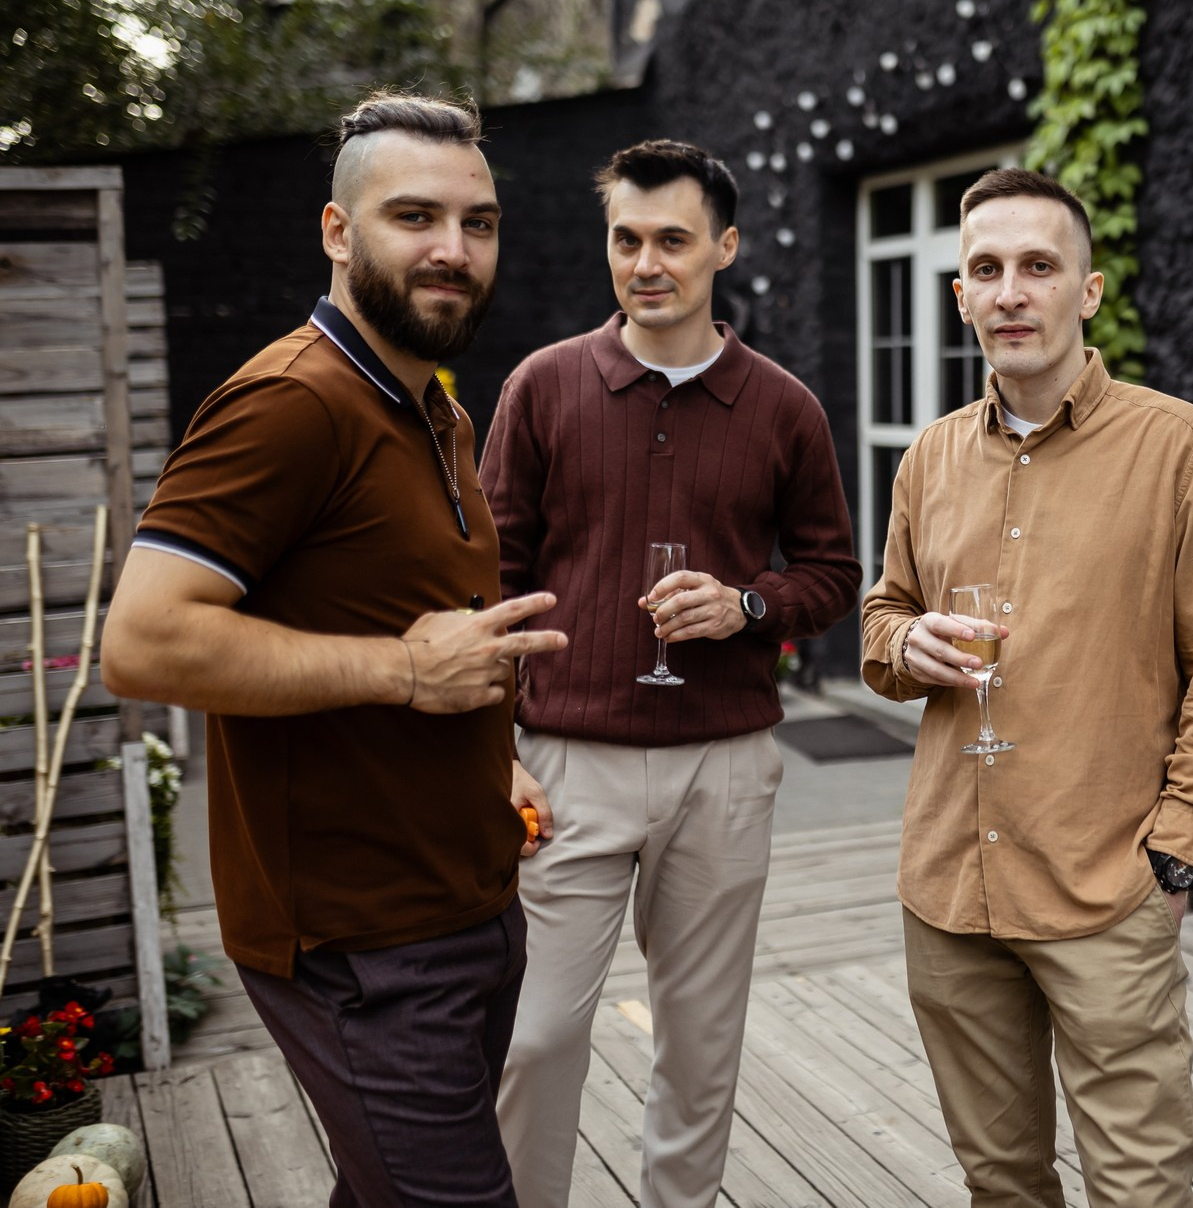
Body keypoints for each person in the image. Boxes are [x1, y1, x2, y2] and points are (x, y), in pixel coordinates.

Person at [101, 92, 566, 1206]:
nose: (453, 250)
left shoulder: (436, 410)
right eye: (415, 216)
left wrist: (488, 752)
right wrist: (404, 672)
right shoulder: (288, 403)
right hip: (361, 949)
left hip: (466, 905)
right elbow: (143, 642)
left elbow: (413, 615)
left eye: (480, 221)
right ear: (336, 230)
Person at [861, 167, 1193, 1207]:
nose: (1011, 291)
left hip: (1106, 887)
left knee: (1138, 1186)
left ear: (1085, 291)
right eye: (986, 270)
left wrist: (1176, 858)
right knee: (999, 1182)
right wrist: (906, 642)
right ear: (959, 295)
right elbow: (881, 617)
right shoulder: (927, 459)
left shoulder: (1181, 449)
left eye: (1038, 267)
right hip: (949, 890)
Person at [482, 138, 861, 1208]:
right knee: (536, 1035)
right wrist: (491, 749)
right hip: (566, 767)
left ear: (724, 248)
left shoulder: (783, 406)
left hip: (725, 767)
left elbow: (832, 574)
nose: (646, 262)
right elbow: (489, 582)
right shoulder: (544, 386)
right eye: (626, 239)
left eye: (673, 240)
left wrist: (746, 606)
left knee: (699, 1047)